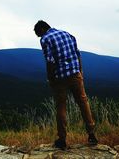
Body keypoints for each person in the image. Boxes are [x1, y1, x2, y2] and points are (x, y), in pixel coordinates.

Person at [34, 20, 98, 149]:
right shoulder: (68, 34)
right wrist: (80, 71)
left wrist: (50, 78)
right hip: (75, 74)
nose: (39, 37)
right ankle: (91, 134)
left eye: (38, 35)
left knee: (61, 107)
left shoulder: (45, 39)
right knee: (83, 102)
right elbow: (77, 54)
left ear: (41, 30)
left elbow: (50, 61)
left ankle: (62, 140)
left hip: (60, 78)